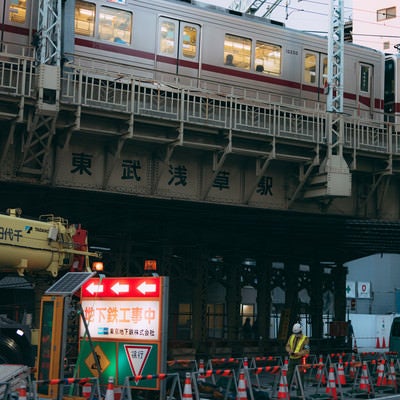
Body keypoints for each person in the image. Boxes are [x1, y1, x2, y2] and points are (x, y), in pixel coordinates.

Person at [285, 323, 310, 395]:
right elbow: (287, 346)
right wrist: (289, 351)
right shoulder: (291, 337)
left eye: (297, 333)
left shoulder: (305, 339)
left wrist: (298, 353)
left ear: (300, 331)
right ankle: (286, 392)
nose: (296, 335)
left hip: (300, 359)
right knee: (288, 376)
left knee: (300, 377)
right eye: (295, 333)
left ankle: (299, 394)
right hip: (291, 359)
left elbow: (306, 350)